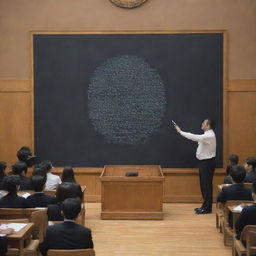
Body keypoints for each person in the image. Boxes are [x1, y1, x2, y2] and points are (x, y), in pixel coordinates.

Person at [174, 118, 216, 214]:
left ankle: (207, 208)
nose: (202, 124)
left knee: (206, 186)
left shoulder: (209, 136)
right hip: (205, 163)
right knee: (204, 185)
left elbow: (193, 137)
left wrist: (180, 132)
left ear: (208, 126)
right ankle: (205, 206)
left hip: (207, 163)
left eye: (204, 123)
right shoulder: (207, 135)